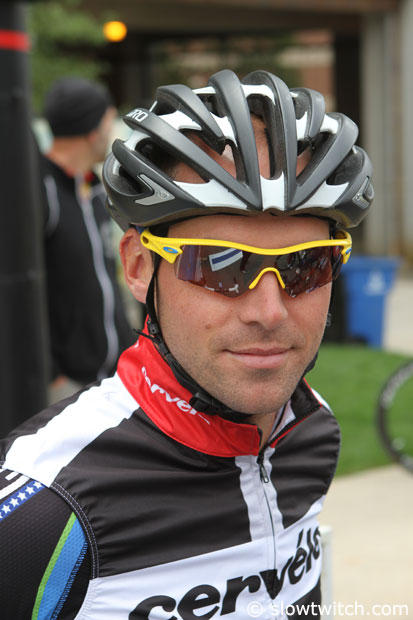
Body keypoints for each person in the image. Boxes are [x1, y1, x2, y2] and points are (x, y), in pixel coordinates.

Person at [0, 70, 373, 619]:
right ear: (138, 266)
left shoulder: (309, 428)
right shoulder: (43, 513)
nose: (269, 312)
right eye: (220, 264)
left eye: (306, 265)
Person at [40, 76, 134, 395]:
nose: (112, 133)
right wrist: (52, 374)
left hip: (113, 377)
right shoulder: (42, 190)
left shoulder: (93, 189)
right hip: (66, 385)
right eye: (109, 122)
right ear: (93, 130)